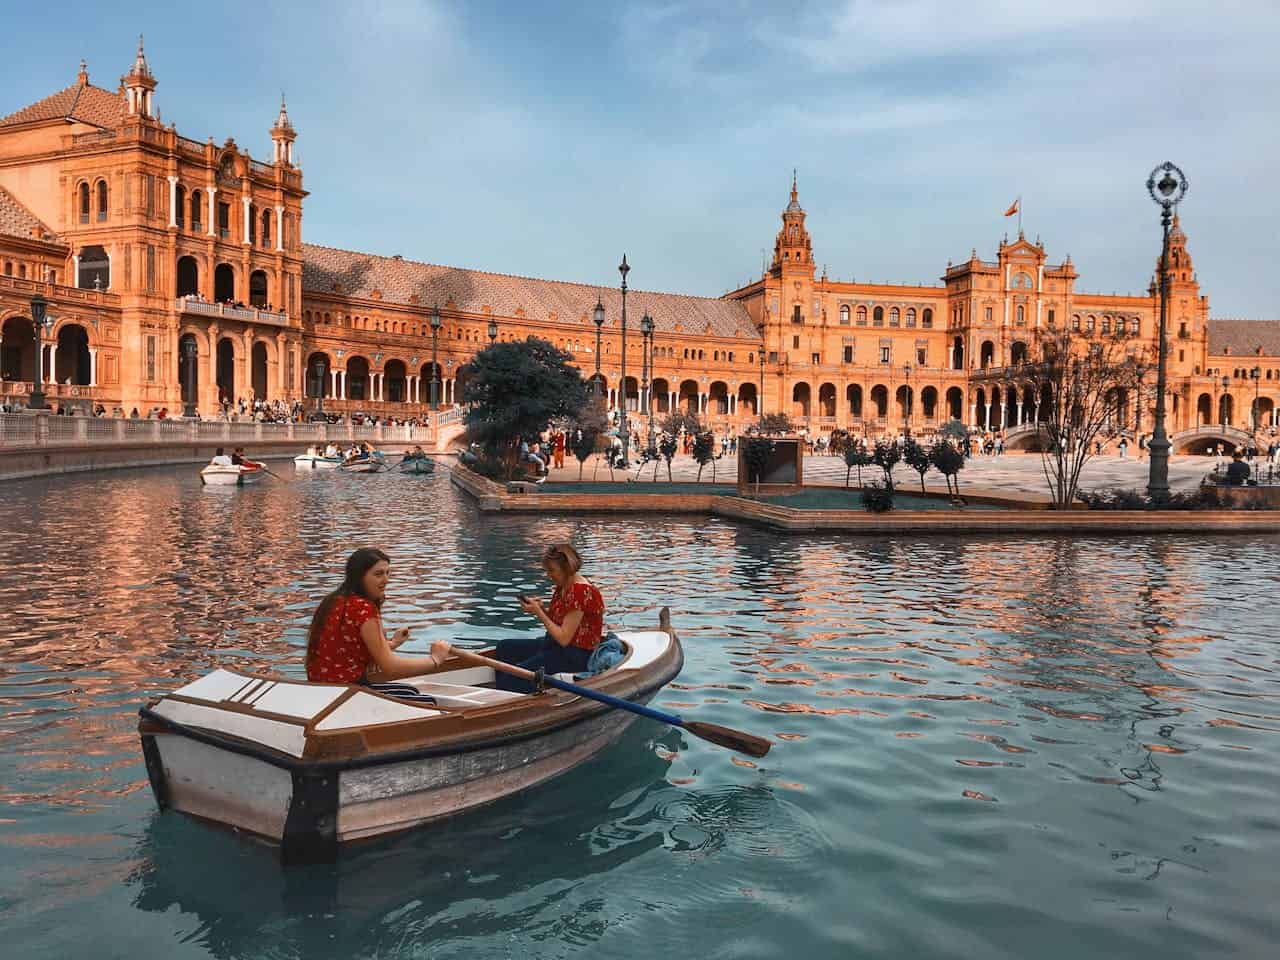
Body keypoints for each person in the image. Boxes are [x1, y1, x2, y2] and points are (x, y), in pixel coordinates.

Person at [305, 547, 451, 700]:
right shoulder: (363, 608)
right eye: (378, 574)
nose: (386, 580)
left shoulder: (332, 601)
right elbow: (391, 668)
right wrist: (435, 659)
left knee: (410, 691)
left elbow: (347, 650)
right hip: (347, 694)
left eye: (388, 573)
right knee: (429, 702)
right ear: (359, 576)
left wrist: (393, 643)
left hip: (323, 692)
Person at [493, 544, 605, 693]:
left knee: (510, 678)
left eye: (552, 570)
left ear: (566, 568)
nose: (549, 575)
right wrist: (541, 610)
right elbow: (558, 623)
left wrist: (539, 613)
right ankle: (509, 689)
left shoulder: (581, 592)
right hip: (555, 646)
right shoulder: (564, 586)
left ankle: (520, 692)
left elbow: (564, 638)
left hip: (574, 654)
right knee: (504, 647)